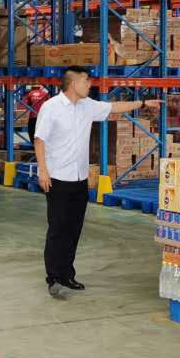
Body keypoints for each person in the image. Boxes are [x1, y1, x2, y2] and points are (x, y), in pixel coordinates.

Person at [34, 66, 159, 299]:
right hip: (58, 179)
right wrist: (43, 171)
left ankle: (67, 274)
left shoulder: (87, 106)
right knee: (58, 229)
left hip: (80, 179)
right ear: (73, 84)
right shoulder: (51, 107)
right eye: (86, 81)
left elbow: (114, 107)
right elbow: (39, 140)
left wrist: (143, 103)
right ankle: (54, 278)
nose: (89, 84)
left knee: (74, 229)